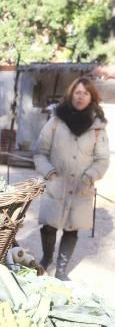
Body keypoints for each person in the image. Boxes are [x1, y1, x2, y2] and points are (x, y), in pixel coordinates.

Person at [33, 77, 110, 280]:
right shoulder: (56, 121)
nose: (81, 96)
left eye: (85, 93)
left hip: (81, 188)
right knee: (49, 226)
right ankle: (46, 259)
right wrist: (49, 172)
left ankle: (61, 270)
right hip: (57, 184)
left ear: (91, 96)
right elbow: (40, 152)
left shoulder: (98, 127)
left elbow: (102, 159)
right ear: (71, 94)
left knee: (72, 229)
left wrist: (90, 176)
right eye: (77, 92)